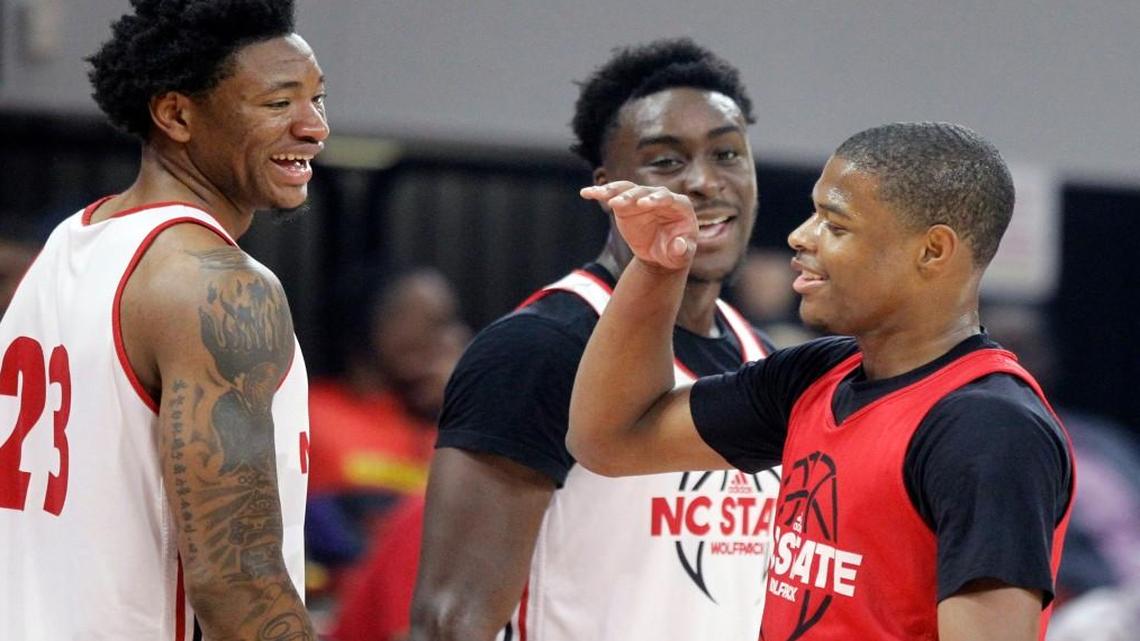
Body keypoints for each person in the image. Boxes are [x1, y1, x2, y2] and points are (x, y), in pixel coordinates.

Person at [570, 122, 1075, 641]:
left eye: (835, 225)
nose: (800, 236)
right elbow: (610, 439)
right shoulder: (815, 375)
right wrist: (656, 268)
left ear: (933, 251)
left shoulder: (988, 428)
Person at [410, 38, 781, 641]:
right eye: (666, 161)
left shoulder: (766, 361)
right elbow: (448, 622)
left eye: (728, 154)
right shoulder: (538, 348)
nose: (704, 181)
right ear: (609, 187)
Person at [0, 1, 328, 639]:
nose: (313, 127)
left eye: (317, 99)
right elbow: (237, 577)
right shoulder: (217, 285)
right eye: (278, 103)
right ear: (176, 114)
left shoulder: (69, 244)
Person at [305, 265, 467, 589]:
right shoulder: (313, 414)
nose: (453, 339)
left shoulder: (439, 427)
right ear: (379, 324)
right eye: (435, 323)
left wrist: (461, 404)